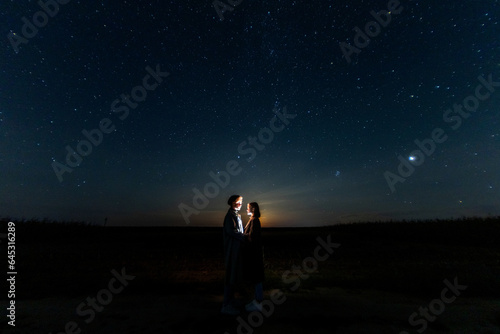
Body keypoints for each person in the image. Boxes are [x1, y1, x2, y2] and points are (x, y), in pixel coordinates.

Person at [221, 195, 246, 315]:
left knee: (234, 275)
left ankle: (231, 300)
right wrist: (244, 237)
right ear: (232, 203)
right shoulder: (230, 216)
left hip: (236, 250)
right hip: (232, 251)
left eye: (241, 202)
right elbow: (232, 231)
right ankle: (226, 305)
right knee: (230, 275)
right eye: (238, 202)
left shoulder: (236, 215)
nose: (240, 204)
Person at [243, 202, 265, 312]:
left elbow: (252, 238)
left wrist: (242, 236)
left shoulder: (255, 220)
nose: (246, 209)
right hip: (254, 254)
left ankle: (258, 303)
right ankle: (256, 301)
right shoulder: (253, 220)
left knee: (257, 277)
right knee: (256, 277)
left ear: (253, 208)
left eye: (248, 208)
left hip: (254, 255)